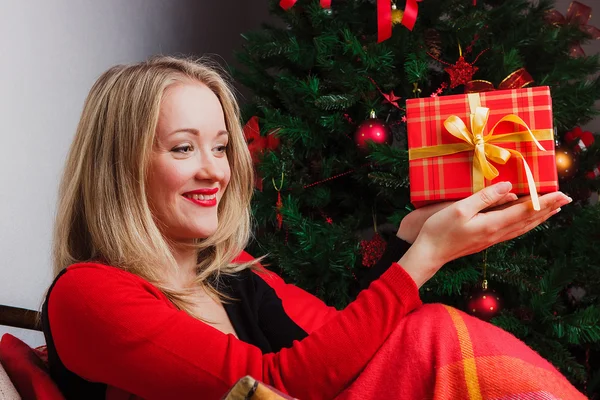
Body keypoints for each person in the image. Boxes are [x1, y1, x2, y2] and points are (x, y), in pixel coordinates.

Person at [41, 55, 583, 400]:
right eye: (184, 148)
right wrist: (427, 257)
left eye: (223, 147)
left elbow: (343, 343)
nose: (216, 170)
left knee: (427, 331)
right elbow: (271, 387)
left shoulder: (231, 272)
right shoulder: (89, 294)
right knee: (434, 331)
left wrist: (415, 235)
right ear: (120, 168)